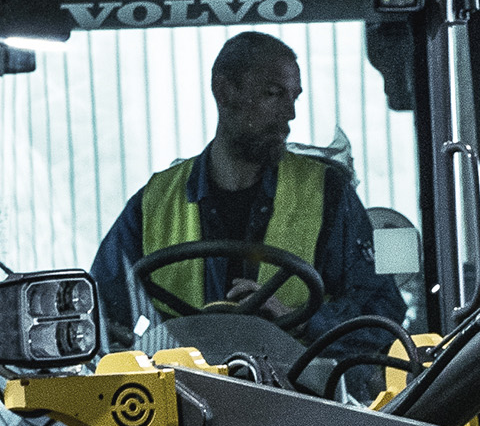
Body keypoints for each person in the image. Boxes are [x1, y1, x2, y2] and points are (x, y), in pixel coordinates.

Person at [91, 31, 404, 335]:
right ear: (225, 91)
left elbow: (382, 310)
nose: (291, 113)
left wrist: (301, 320)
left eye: (294, 97)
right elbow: (99, 313)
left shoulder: (329, 194)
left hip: (297, 371)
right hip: (178, 371)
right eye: (273, 93)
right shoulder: (154, 203)